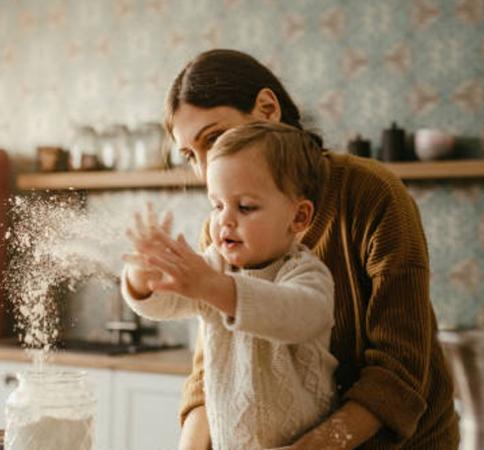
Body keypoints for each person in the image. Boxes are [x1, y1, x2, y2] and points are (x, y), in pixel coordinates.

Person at [166, 49, 460, 450]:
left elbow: (400, 367)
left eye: (214, 139)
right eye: (189, 156)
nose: (204, 172)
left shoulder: (372, 194)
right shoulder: (222, 231)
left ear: (268, 109)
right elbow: (211, 369)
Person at [121, 122, 339, 449]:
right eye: (217, 204)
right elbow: (161, 304)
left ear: (299, 218)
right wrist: (143, 274)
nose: (224, 220)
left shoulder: (306, 274)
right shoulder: (214, 267)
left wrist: (212, 287)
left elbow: (296, 316)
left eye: (245, 206)